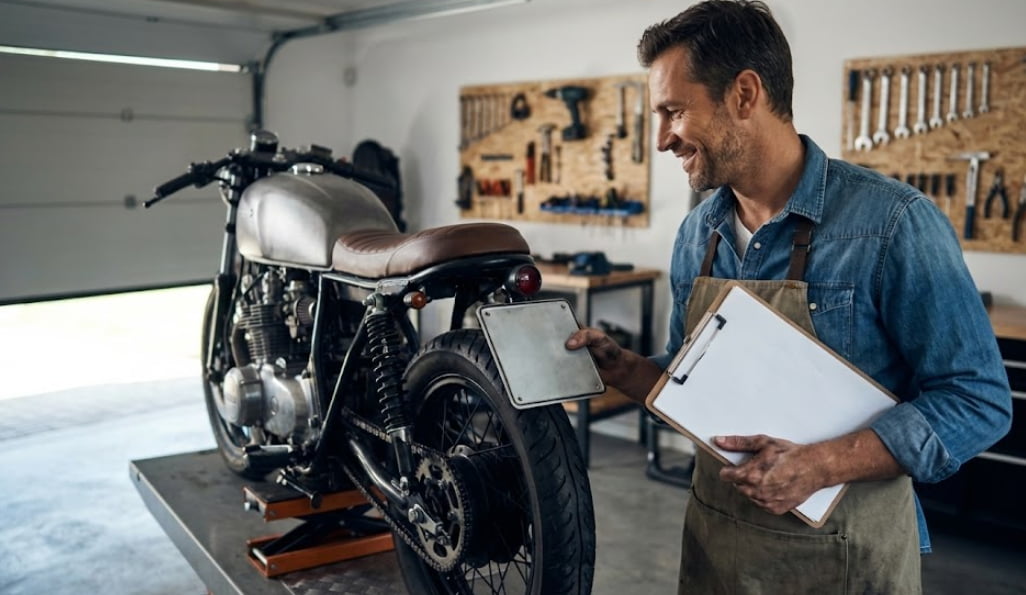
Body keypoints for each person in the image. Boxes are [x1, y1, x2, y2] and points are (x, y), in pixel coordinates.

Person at [566, 1, 1012, 592]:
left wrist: (821, 465)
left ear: (745, 94)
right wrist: (624, 370)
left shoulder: (893, 223)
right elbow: (690, 385)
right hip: (716, 547)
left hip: (843, 560)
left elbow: (978, 399)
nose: (661, 139)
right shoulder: (699, 234)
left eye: (674, 111)